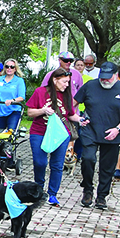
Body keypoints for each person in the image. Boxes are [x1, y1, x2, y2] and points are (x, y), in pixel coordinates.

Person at [76, 62, 120, 209]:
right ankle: (87, 190)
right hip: (90, 130)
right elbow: (73, 103)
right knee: (88, 159)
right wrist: (78, 118)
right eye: (102, 77)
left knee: (107, 167)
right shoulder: (90, 86)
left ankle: (102, 196)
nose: (105, 80)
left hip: (113, 132)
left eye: (108, 77)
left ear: (116, 75)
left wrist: (118, 129)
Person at [25, 68, 80, 206]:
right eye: (64, 82)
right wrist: (43, 110)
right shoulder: (40, 92)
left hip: (60, 134)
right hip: (39, 132)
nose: (67, 85)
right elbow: (30, 112)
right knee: (40, 162)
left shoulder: (67, 95)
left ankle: (52, 194)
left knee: (57, 165)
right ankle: (39, 189)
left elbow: (70, 115)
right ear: (55, 80)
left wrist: (80, 120)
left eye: (68, 82)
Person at [0, 59, 26, 131]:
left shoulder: (19, 81)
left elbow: (21, 97)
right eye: (7, 66)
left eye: (12, 67)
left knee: (11, 131)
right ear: (4, 68)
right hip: (0, 111)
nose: (9, 68)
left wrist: (12, 101)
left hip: (13, 110)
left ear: (15, 69)